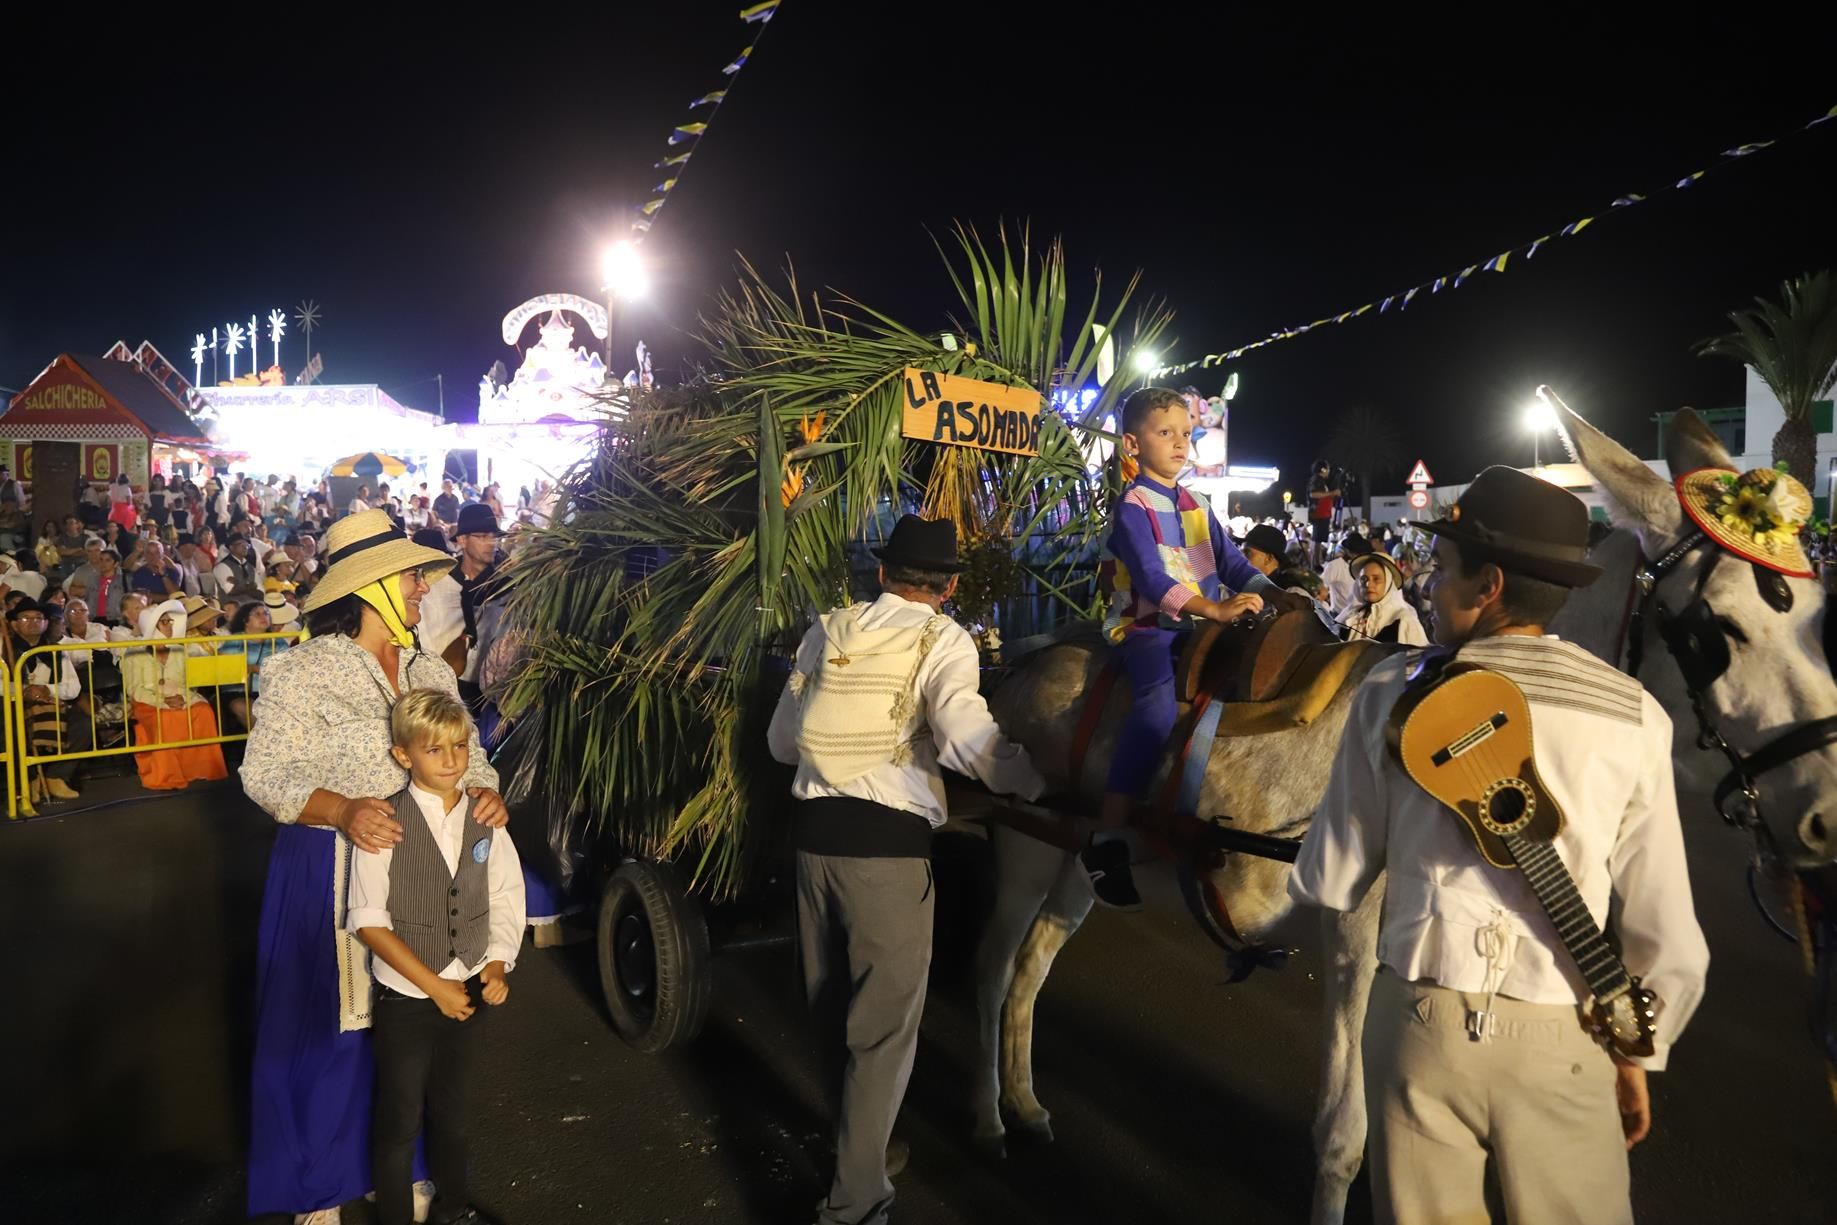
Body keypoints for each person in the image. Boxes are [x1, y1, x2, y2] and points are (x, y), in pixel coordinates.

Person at [1289, 466, 1711, 1225]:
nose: (1426, 583)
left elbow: (1331, 877)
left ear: (1485, 586)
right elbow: (1669, 938)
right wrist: (1636, 1053)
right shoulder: (1634, 714)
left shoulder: (1390, 691)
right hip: (1566, 1031)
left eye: (1441, 570)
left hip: (1417, 1025)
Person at [767, 514, 1044, 1225]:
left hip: (811, 842)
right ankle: (856, 1205)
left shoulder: (827, 629)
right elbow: (961, 738)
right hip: (886, 853)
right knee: (882, 1033)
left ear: (883, 573)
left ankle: (864, 1149)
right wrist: (1026, 778)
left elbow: (779, 743)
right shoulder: (942, 637)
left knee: (831, 1012)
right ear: (948, 587)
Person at [241, 508, 507, 1223]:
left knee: (407, 1024)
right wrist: (343, 809)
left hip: (424, 873)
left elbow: (473, 754)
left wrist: (484, 793)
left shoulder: (429, 668)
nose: (423, 586)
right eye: (411, 575)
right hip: (326, 868)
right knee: (330, 1030)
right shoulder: (304, 671)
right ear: (371, 587)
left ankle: (399, 1165)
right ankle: (318, 1185)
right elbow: (265, 773)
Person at [1090, 386, 1296, 908]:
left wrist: (1278, 594)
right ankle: (1107, 836)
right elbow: (1152, 580)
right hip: (1149, 629)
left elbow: (1233, 566)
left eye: (1186, 433)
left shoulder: (1198, 503)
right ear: (1133, 445)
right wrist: (1217, 610)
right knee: (1157, 712)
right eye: (1166, 433)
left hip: (1205, 629)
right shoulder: (1132, 505)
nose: (1181, 443)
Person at [348, 689, 525, 1225]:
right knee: (400, 1120)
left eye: (460, 746)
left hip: (470, 986)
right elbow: (369, 920)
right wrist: (435, 987)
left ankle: (454, 1208)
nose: (451, 761)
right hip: (408, 997)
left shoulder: (483, 817)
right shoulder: (384, 824)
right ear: (404, 756)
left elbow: (504, 895)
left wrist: (496, 962)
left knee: (454, 1113)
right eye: (434, 750)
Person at [121, 598, 229, 790]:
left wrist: (183, 699)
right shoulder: (133, 653)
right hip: (147, 702)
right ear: (152, 626)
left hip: (178, 696)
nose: (170, 625)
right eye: (164, 622)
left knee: (203, 711)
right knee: (166, 719)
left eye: (169, 621)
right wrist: (163, 702)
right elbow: (135, 690)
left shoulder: (179, 650)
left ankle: (203, 769)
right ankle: (168, 774)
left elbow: (184, 683)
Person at [3, 597, 91, 803]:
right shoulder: (4, 650)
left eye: (38, 618)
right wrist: (24, 690)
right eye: (26, 618)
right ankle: (29, 780)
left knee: (83, 724)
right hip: (15, 705)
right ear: (15, 623)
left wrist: (47, 689)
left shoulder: (55, 650)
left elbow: (73, 687)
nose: (33, 622)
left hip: (52, 704)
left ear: (45, 623)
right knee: (12, 728)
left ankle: (56, 776)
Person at [219, 594, 297, 729]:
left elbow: (288, 665)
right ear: (245, 621)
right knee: (242, 707)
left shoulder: (277, 641)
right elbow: (226, 666)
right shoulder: (234, 641)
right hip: (239, 691)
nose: (263, 617)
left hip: (271, 691)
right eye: (257, 614)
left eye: (266, 614)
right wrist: (250, 668)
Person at [1335, 552, 1428, 645]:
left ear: (1388, 583)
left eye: (1376, 579)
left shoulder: (1404, 620)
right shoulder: (1350, 617)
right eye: (1364, 579)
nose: (1368, 584)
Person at [1320, 531, 1369, 621]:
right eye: (1356, 553)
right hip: (1339, 616)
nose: (1359, 556)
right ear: (1348, 552)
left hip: (1360, 616)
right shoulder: (1335, 566)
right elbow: (1320, 587)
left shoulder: (1364, 566)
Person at [215, 533, 264, 601]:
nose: (245, 547)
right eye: (241, 544)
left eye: (246, 545)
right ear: (231, 547)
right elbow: (231, 591)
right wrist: (252, 587)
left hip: (252, 605)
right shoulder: (222, 567)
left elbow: (260, 590)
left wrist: (239, 584)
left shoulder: (250, 567)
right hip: (233, 607)